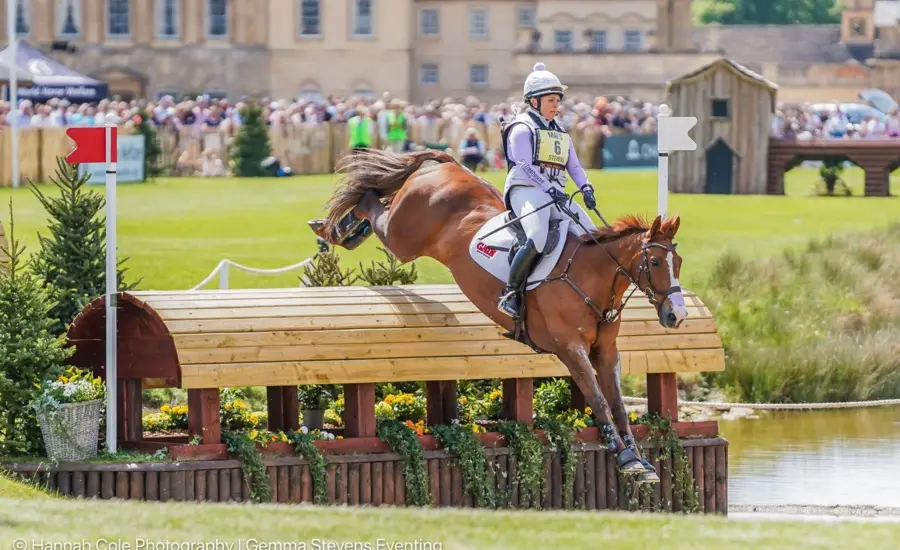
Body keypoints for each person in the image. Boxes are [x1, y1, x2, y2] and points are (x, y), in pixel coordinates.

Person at [496, 62, 598, 319]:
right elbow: (523, 164)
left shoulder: (559, 131)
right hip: (526, 190)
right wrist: (548, 187)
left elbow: (573, 165)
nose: (556, 105)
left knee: (592, 235)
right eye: (551, 100)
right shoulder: (521, 128)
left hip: (555, 193)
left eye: (557, 100)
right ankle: (511, 293)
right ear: (534, 101)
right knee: (538, 237)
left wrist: (586, 187)